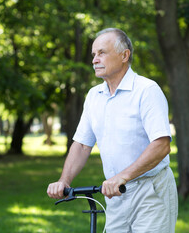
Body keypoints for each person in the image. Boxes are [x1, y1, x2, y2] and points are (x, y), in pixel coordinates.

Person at [47, 28, 178, 233]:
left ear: (124, 55)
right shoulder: (94, 96)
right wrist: (64, 181)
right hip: (114, 195)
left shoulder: (146, 90)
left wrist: (123, 176)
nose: (94, 60)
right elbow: (82, 145)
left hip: (151, 191)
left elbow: (161, 145)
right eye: (93, 55)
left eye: (102, 53)